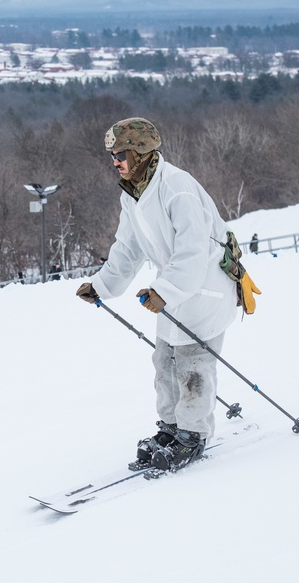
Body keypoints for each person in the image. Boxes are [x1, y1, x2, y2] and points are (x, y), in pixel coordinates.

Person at [75, 117, 252, 473]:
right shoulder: (134, 193)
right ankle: (172, 427)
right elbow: (126, 248)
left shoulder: (177, 188)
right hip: (173, 291)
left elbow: (193, 250)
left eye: (120, 154)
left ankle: (193, 433)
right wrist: (102, 285)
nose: (115, 161)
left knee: (192, 364)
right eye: (112, 155)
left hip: (205, 287)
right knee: (164, 362)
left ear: (140, 152)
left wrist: (163, 291)